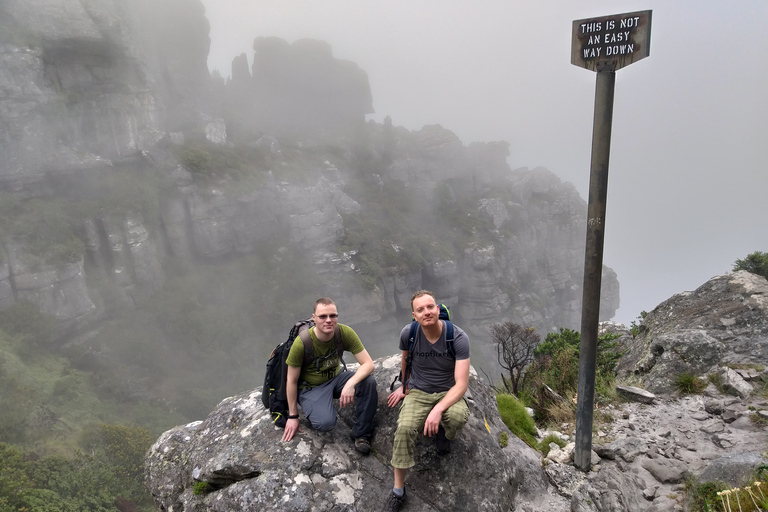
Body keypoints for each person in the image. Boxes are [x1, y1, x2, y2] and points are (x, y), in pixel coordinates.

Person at [382, 290, 471, 511]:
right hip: (418, 391)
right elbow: (405, 358)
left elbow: (461, 384)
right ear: (414, 315)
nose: (426, 312)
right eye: (420, 309)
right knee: (404, 429)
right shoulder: (409, 334)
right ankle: (398, 491)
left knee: (457, 417)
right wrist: (404, 386)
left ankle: (445, 433)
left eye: (430, 307)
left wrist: (438, 410)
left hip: (447, 390)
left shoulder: (457, 337)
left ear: (438, 310)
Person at [282, 297, 378, 454]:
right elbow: (291, 380)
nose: (329, 320)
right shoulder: (302, 343)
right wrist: (293, 416)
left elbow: (368, 364)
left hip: (336, 378)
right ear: (314, 318)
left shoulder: (344, 332)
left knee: (368, 382)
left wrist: (350, 383)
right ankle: (312, 404)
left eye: (333, 316)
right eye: (323, 316)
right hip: (311, 388)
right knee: (325, 423)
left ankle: (361, 434)